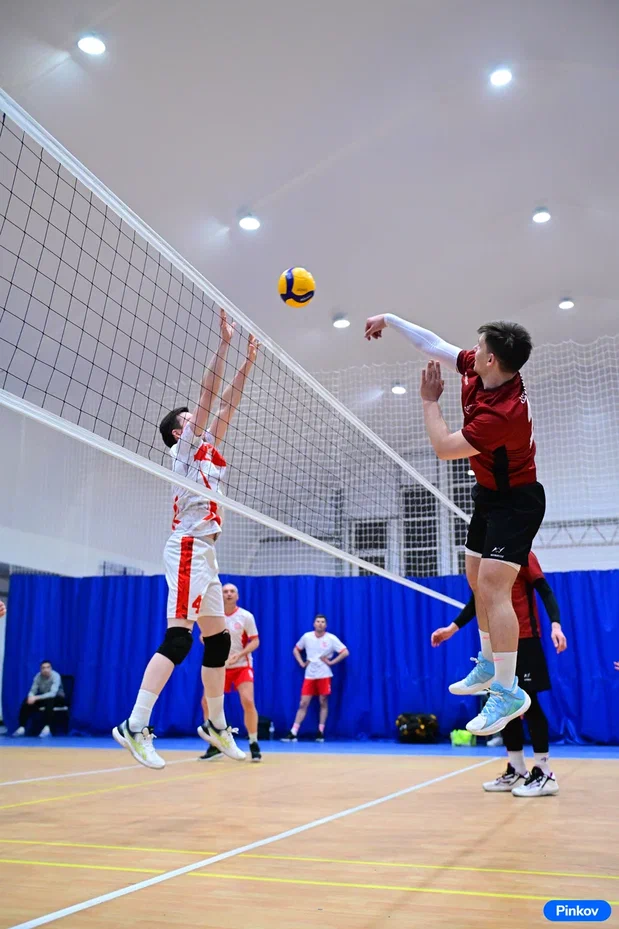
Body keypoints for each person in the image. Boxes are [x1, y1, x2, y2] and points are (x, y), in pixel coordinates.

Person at [366, 313, 544, 737]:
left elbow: (446, 448)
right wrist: (389, 319)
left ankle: (508, 690)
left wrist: (429, 401)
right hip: (489, 495)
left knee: (496, 588)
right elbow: (434, 344)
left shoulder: (502, 413)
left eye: (480, 347)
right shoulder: (484, 370)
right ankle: (488, 662)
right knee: (476, 580)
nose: (472, 350)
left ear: (492, 359)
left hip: (517, 502)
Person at [113, 310, 260, 768]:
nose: (197, 417)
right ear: (180, 431)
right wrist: (224, 344)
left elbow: (227, 405)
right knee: (178, 640)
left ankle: (216, 725)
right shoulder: (184, 450)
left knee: (218, 642)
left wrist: (249, 360)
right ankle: (135, 724)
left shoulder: (208, 453)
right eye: (189, 417)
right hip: (187, 548)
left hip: (207, 554)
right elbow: (210, 395)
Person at [432, 551, 567, 797]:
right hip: (501, 644)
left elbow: (545, 590)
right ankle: (517, 769)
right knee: (502, 704)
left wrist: (555, 625)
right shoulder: (488, 559)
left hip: (526, 639)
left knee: (530, 703)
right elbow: (479, 600)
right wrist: (452, 628)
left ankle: (545, 773)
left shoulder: (522, 553)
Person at [200, 583, 262, 762]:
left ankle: (253, 742)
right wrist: (216, 649)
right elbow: (203, 637)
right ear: (220, 596)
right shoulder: (214, 617)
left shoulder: (246, 616)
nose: (228, 594)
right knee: (206, 703)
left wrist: (239, 655)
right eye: (225, 591)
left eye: (232, 591)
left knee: (248, 700)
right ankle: (215, 744)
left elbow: (255, 641)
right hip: (219, 666)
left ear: (237, 596)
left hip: (241, 665)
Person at [281, 615, 349, 742]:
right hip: (310, 675)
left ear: (326, 625)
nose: (320, 624)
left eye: (323, 622)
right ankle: (293, 732)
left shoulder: (331, 638)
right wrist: (302, 663)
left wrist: (331, 662)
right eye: (318, 621)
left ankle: (320, 732)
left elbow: (345, 652)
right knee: (303, 703)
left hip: (324, 674)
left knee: (323, 702)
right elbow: (296, 649)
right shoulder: (307, 637)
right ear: (314, 624)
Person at [14, 660, 65, 737]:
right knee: (26, 700)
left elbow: (53, 693)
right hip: (44, 698)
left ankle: (47, 728)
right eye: (43, 668)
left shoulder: (56, 676)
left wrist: (36, 697)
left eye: (48, 667)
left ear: (51, 668)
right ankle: (22, 727)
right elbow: (32, 690)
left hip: (58, 698)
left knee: (50, 700)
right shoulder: (38, 677)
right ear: (40, 669)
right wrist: (30, 697)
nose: (46, 670)